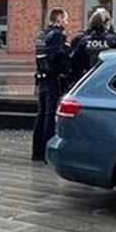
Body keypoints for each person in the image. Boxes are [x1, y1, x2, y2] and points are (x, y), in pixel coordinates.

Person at [32, 8, 69, 162]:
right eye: (65, 18)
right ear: (59, 19)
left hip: (41, 78)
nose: (67, 22)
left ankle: (37, 151)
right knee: (49, 115)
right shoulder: (57, 35)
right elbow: (57, 57)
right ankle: (47, 151)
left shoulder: (42, 34)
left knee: (41, 115)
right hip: (52, 79)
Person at [69, 8, 116, 84]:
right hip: (108, 80)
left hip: (87, 80)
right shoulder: (113, 40)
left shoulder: (84, 41)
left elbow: (74, 62)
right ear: (107, 23)